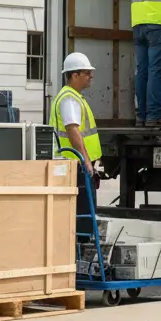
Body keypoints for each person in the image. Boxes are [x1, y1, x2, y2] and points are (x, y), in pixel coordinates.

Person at [50, 52, 102, 239]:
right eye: (87, 72)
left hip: (76, 166)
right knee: (82, 220)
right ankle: (79, 256)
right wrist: (87, 162)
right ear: (74, 75)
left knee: (83, 218)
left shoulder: (72, 97)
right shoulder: (69, 99)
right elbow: (73, 131)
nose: (91, 76)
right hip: (76, 166)